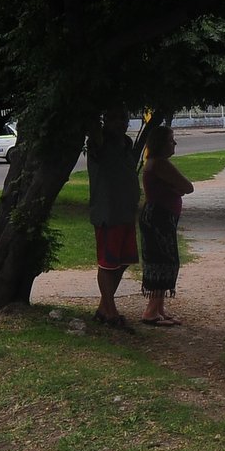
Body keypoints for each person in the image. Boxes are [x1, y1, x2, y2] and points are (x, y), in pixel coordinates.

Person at [85, 109, 140, 329]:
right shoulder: (98, 143)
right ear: (106, 121)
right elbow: (92, 127)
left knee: (123, 261)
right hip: (107, 212)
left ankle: (103, 307)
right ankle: (111, 311)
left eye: (124, 120)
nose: (122, 124)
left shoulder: (126, 143)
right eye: (116, 119)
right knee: (108, 264)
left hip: (126, 211)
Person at [137, 121, 193, 326]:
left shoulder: (155, 162)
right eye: (170, 140)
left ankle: (159, 308)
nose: (174, 144)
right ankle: (151, 312)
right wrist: (176, 189)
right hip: (159, 218)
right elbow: (188, 186)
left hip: (161, 216)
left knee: (165, 259)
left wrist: (174, 189)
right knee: (161, 260)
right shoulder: (160, 164)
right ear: (161, 143)